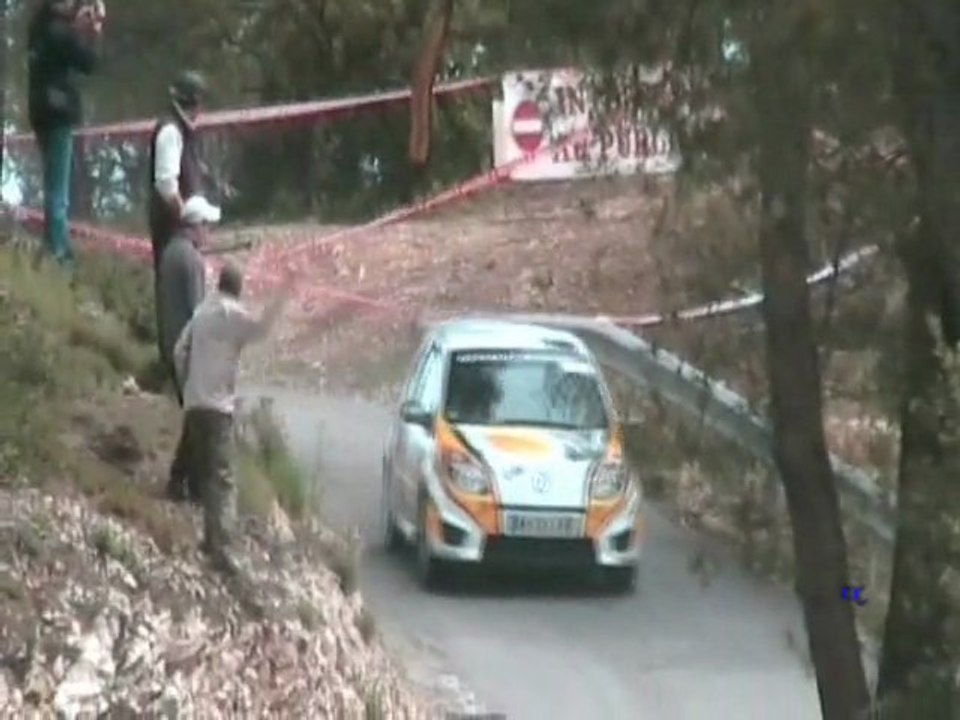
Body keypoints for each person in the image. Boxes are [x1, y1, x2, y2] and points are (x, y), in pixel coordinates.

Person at [172, 261, 289, 574]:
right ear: (238, 289)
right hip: (218, 407)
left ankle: (209, 540)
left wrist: (187, 385)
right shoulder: (232, 315)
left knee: (206, 474)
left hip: (194, 403)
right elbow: (263, 329)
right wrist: (284, 292)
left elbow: (179, 351)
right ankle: (223, 549)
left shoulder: (201, 312)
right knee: (223, 478)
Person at [27, 0, 104, 267]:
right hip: (58, 113)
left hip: (39, 110)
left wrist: (76, 25)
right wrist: (93, 31)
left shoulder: (38, 27)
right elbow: (89, 63)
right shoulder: (61, 33)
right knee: (59, 189)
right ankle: (60, 255)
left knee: (51, 182)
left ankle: (51, 245)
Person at [160, 194, 221, 503]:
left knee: (194, 418)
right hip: (188, 351)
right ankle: (189, 485)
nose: (209, 232)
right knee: (203, 420)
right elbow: (200, 314)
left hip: (170, 344)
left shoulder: (170, 251)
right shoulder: (192, 260)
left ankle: (182, 481)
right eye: (207, 225)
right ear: (196, 226)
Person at [149, 70, 208, 364]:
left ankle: (179, 364)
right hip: (175, 235)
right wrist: (188, 218)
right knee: (180, 305)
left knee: (180, 303)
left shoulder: (179, 130)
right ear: (194, 102)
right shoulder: (171, 132)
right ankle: (179, 365)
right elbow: (166, 186)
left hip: (179, 235)